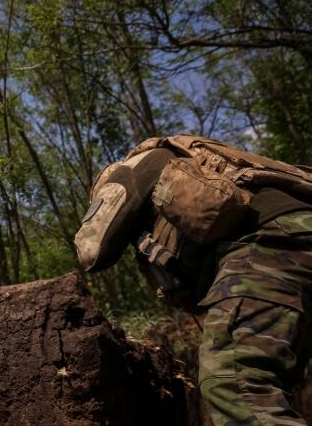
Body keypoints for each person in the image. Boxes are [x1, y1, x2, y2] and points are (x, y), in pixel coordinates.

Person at [74, 135, 312, 425]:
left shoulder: (132, 169)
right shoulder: (196, 162)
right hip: (296, 235)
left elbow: (91, 251)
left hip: (271, 240)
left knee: (233, 380)